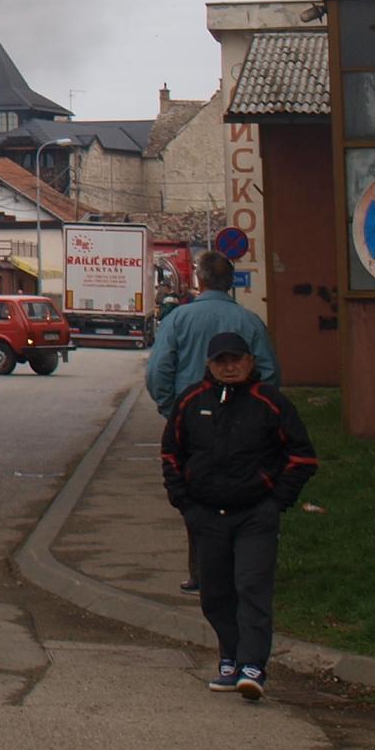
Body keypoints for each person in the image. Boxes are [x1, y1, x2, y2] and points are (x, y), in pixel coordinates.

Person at [160, 333, 317, 699]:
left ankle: (252, 666)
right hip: (206, 515)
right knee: (215, 593)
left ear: (250, 361)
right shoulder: (190, 402)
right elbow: (171, 454)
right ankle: (229, 657)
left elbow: (302, 457)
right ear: (209, 365)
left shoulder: (271, 403)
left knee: (251, 586)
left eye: (236, 360)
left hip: (255, 515)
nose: (229, 367)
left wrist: (276, 500)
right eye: (221, 361)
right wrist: (184, 501)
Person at [147, 249, 278, 592]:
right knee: (242, 486)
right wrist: (258, 411)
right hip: (243, 423)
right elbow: (270, 372)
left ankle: (201, 571)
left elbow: (158, 371)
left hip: (192, 424)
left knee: (195, 492)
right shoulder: (250, 322)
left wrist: (171, 409)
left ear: (199, 281)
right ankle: (241, 565)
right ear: (230, 282)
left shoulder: (178, 319)